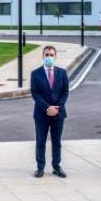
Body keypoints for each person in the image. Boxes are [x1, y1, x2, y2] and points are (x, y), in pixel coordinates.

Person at [30, 45, 69, 178]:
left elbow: (65, 92)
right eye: (46, 55)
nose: (49, 57)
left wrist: (57, 107)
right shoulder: (35, 74)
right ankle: (40, 167)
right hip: (41, 113)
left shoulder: (62, 73)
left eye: (51, 55)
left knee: (56, 142)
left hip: (58, 113)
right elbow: (35, 94)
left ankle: (56, 166)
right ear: (43, 56)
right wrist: (47, 108)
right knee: (40, 141)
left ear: (55, 56)